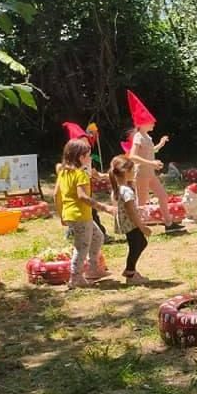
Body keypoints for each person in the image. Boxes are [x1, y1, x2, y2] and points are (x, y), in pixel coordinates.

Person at [54, 139, 114, 288]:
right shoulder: (80, 174)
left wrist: (61, 215)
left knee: (97, 236)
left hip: (73, 215)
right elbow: (82, 196)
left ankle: (93, 269)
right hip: (80, 216)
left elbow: (56, 194)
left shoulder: (63, 172)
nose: (90, 159)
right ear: (81, 157)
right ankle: (75, 278)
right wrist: (104, 207)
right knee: (82, 247)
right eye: (88, 156)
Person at [125, 90, 185, 233]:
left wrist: (160, 144)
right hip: (142, 174)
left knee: (163, 196)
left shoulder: (147, 137)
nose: (154, 123)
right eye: (151, 121)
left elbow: (150, 151)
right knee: (142, 202)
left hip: (150, 173)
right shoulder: (139, 137)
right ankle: (137, 227)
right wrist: (151, 163)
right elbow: (132, 156)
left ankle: (169, 223)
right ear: (143, 123)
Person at [61, 121, 112, 244]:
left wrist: (106, 176)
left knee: (87, 212)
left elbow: (93, 172)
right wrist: (105, 207)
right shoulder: (76, 167)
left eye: (87, 140)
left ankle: (72, 231)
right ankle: (101, 235)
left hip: (86, 186)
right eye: (83, 140)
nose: (87, 143)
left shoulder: (86, 158)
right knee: (90, 211)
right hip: (82, 189)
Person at [108, 155, 152, 284]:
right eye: (133, 171)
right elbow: (131, 211)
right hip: (131, 224)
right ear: (126, 172)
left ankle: (130, 270)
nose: (135, 172)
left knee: (138, 244)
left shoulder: (119, 188)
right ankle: (130, 273)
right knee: (138, 244)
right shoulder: (126, 191)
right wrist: (142, 227)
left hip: (126, 224)